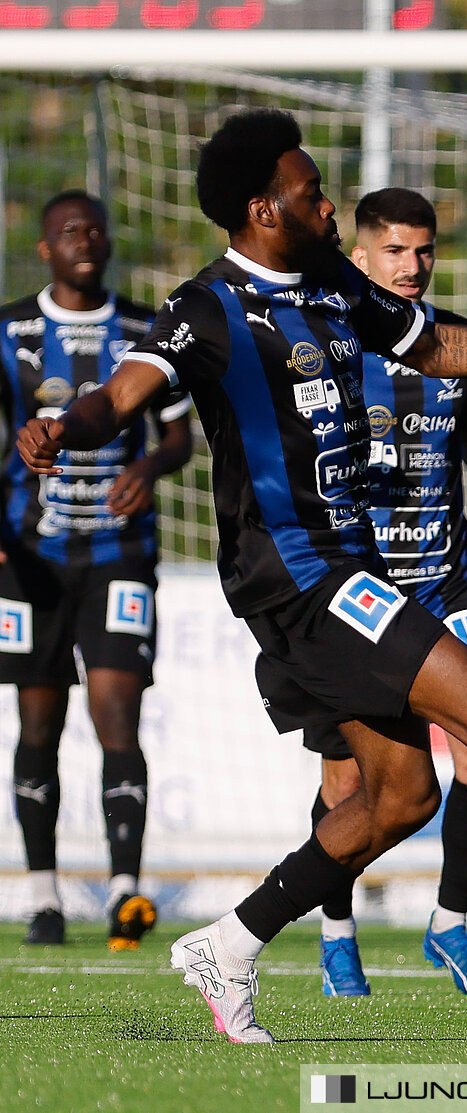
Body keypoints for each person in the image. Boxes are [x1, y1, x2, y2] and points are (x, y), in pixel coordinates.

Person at [16, 108, 467, 1047]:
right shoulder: (208, 308)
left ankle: (230, 946)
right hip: (296, 579)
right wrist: (61, 431)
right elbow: (119, 394)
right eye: (311, 190)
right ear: (261, 207)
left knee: (402, 794)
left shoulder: (328, 285)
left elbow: (437, 347)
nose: (327, 204)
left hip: (348, 569)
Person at [307, 187, 467, 999]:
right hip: (358, 592)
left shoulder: (453, 339)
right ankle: (337, 935)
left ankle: (450, 922)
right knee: (352, 783)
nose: (411, 265)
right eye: (394, 251)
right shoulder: (328, 343)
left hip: (446, 574)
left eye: (424, 250)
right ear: (360, 256)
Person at [0, 189, 193, 950]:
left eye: (96, 230)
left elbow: (177, 436)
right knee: (38, 719)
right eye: (70, 231)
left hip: (119, 554)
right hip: (29, 556)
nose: (87, 239)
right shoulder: (10, 330)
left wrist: (148, 465)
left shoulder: (146, 330)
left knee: (117, 709)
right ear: (46, 247)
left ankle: (125, 892)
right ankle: (43, 894)